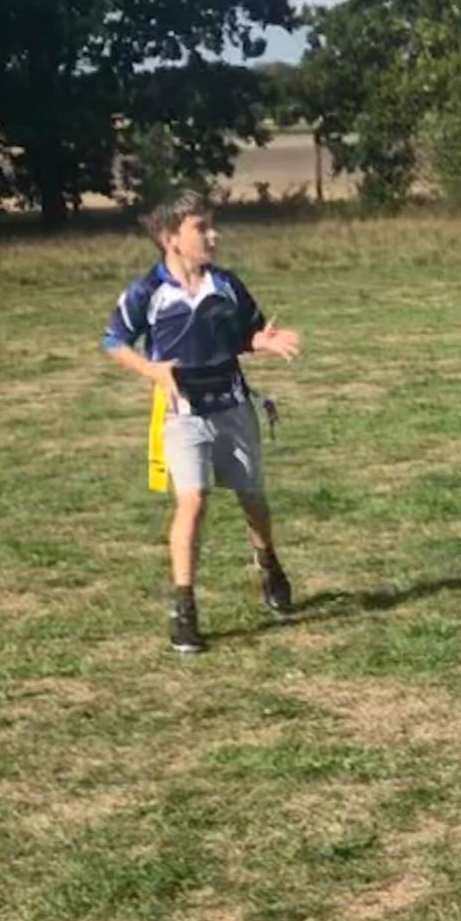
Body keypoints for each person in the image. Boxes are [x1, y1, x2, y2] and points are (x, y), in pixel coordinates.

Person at [102, 190, 300, 654]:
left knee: (253, 501)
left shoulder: (226, 284)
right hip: (182, 414)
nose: (214, 235)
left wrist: (263, 341)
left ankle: (267, 561)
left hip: (233, 407)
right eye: (201, 228)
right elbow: (113, 340)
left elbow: (246, 333)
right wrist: (150, 370)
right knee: (192, 501)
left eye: (212, 225)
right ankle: (184, 608)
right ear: (171, 238)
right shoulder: (147, 292)